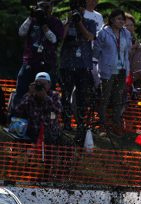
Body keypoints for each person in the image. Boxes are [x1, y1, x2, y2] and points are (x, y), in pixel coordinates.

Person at [11, 0, 63, 110]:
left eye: (46, 6)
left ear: (51, 7)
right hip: (30, 60)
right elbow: (21, 32)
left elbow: (54, 40)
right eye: (41, 6)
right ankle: (16, 116)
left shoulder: (55, 22)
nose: (44, 9)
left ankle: (47, 116)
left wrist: (44, 24)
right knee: (21, 90)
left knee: (48, 92)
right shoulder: (32, 20)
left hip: (47, 62)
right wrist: (31, 17)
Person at [12, 71, 63, 178]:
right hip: (32, 130)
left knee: (50, 156)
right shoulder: (30, 95)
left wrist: (45, 97)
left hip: (49, 132)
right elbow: (18, 110)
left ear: (49, 84)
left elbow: (57, 110)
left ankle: (47, 175)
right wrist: (30, 95)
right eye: (38, 84)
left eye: (43, 84)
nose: (40, 87)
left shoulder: (54, 95)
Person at [59, 0, 96, 132]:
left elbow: (89, 37)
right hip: (67, 64)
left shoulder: (90, 22)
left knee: (82, 96)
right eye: (75, 9)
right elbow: (60, 38)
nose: (78, 11)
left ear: (84, 9)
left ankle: (81, 123)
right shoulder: (65, 23)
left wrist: (79, 22)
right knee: (66, 94)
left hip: (83, 64)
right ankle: (66, 122)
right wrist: (69, 22)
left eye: (80, 9)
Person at [93, 9, 131, 135]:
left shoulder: (126, 33)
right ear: (112, 19)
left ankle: (116, 125)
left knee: (118, 98)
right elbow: (96, 51)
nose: (121, 21)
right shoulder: (103, 32)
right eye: (119, 19)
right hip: (107, 70)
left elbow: (128, 50)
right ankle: (102, 124)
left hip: (122, 69)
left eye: (123, 19)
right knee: (105, 97)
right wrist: (98, 65)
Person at [125, 13, 141, 88]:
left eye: (131, 25)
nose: (130, 27)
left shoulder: (134, 37)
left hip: (137, 73)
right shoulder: (119, 38)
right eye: (127, 25)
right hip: (125, 73)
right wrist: (133, 47)